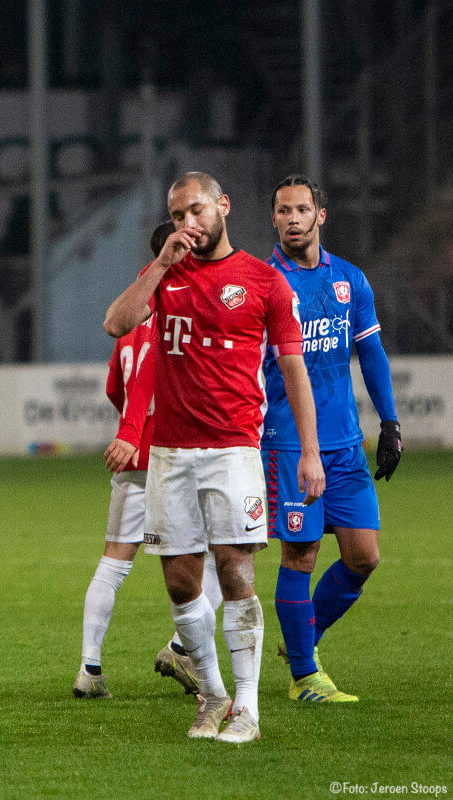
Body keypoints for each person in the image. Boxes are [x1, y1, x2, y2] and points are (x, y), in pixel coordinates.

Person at [103, 171, 325, 745]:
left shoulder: (263, 281)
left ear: (223, 205)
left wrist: (309, 452)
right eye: (177, 217)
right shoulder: (164, 275)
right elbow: (117, 323)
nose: (188, 224)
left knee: (234, 570)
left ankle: (246, 709)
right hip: (170, 452)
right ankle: (212, 694)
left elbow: (294, 369)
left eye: (196, 211)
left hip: (233, 449)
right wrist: (159, 265)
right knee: (180, 581)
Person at [262, 175, 401, 702]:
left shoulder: (350, 279)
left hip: (344, 442)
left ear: (322, 214)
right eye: (283, 210)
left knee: (363, 556)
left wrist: (388, 422)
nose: (293, 218)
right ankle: (305, 677)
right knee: (300, 554)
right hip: (290, 442)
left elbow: (371, 353)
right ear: (272, 219)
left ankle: (304, 637)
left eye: (302, 209)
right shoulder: (265, 283)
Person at [74, 221, 224, 699]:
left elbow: (114, 386)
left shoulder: (133, 306)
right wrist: (138, 430)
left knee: (114, 562)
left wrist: (127, 433)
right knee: (223, 557)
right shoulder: (177, 305)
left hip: (135, 457)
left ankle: (89, 669)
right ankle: (183, 648)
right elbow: (150, 377)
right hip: (175, 451)